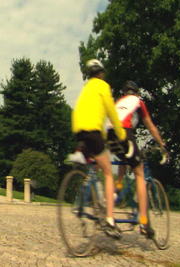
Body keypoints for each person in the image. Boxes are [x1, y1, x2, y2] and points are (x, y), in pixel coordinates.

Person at [70, 59, 131, 238]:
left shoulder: (86, 88)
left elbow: (77, 110)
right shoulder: (103, 86)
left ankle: (83, 200)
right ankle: (110, 219)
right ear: (101, 73)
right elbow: (111, 111)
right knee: (107, 172)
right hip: (94, 131)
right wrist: (120, 134)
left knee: (94, 167)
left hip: (79, 131)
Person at [105, 80, 167, 238]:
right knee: (139, 173)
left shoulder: (118, 101)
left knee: (125, 157)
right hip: (124, 132)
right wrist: (162, 144)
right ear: (137, 92)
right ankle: (144, 222)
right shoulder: (138, 101)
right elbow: (150, 126)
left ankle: (117, 187)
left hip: (109, 134)